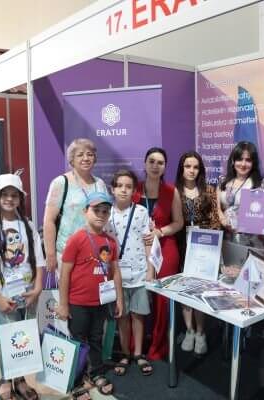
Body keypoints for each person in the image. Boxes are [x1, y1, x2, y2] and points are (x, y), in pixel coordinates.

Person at [0, 174, 44, 400]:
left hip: (28, 295)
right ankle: (5, 380)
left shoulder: (27, 225)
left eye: (14, 195)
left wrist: (38, 289)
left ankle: (20, 379)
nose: (9, 199)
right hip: (2, 297)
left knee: (23, 341)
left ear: (20, 198)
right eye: (5, 194)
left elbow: (39, 260)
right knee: (8, 342)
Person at [57, 191, 124, 400]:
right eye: (96, 210)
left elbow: (115, 271)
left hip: (101, 303)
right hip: (77, 303)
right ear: (85, 211)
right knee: (78, 341)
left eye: (105, 211)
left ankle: (96, 373)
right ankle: (77, 381)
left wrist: (119, 299)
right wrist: (63, 304)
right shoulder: (77, 239)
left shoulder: (111, 242)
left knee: (96, 339)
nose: (101, 215)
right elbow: (65, 273)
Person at [133, 147, 184, 360]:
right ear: (145, 164)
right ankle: (135, 346)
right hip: (136, 248)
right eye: (151, 161)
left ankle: (158, 347)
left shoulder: (171, 191)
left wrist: (159, 232)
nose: (155, 166)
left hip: (165, 247)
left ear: (165, 167)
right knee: (136, 294)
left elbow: (179, 222)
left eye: (160, 163)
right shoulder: (133, 188)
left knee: (163, 300)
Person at [104, 170, 154, 377]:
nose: (124, 190)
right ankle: (125, 353)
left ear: (134, 190)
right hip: (117, 276)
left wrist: (151, 269)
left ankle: (138, 353)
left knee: (138, 316)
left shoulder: (141, 211)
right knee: (122, 315)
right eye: (120, 186)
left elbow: (148, 241)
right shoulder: (106, 213)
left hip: (140, 273)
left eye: (128, 186)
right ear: (112, 189)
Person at [175, 151, 220, 355]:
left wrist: (207, 242)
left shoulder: (209, 190)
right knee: (184, 290)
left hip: (204, 248)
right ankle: (189, 330)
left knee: (201, 291)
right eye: (188, 166)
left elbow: (215, 221)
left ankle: (201, 333)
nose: (191, 170)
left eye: (195, 167)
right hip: (181, 246)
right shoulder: (174, 191)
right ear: (181, 168)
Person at [43, 138, 108, 274]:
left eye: (90, 154)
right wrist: (50, 254)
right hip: (66, 253)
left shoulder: (100, 184)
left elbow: (106, 216)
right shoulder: (61, 182)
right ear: (72, 159)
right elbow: (49, 220)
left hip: (95, 252)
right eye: (80, 155)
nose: (86, 158)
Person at [216, 141, 264, 275]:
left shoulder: (263, 184)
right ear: (233, 160)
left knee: (252, 280)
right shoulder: (223, 181)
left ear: (254, 162)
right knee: (228, 280)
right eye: (240, 159)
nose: (243, 164)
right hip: (228, 240)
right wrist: (221, 217)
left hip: (254, 242)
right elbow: (218, 207)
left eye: (248, 160)